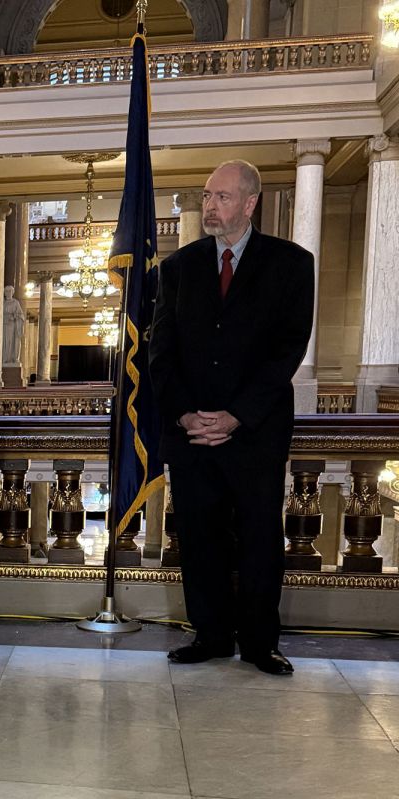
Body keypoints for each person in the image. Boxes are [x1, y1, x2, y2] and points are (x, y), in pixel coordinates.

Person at [148, 160, 314, 676]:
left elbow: (287, 351)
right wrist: (184, 415)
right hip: (192, 433)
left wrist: (237, 416)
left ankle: (261, 644)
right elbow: (160, 352)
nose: (210, 207)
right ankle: (212, 635)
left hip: (255, 434)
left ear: (249, 203)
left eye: (221, 197)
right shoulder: (177, 269)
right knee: (199, 536)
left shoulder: (291, 264)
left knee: (261, 538)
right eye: (206, 196)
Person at [1, 285, 24, 366]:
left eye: (10, 291)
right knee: (5, 342)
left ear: (13, 292)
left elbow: (20, 315)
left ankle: (13, 358)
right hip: (4, 325)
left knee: (12, 341)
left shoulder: (15, 303)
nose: (8, 293)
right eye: (6, 291)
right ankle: (5, 358)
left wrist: (14, 316)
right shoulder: (2, 303)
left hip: (13, 325)